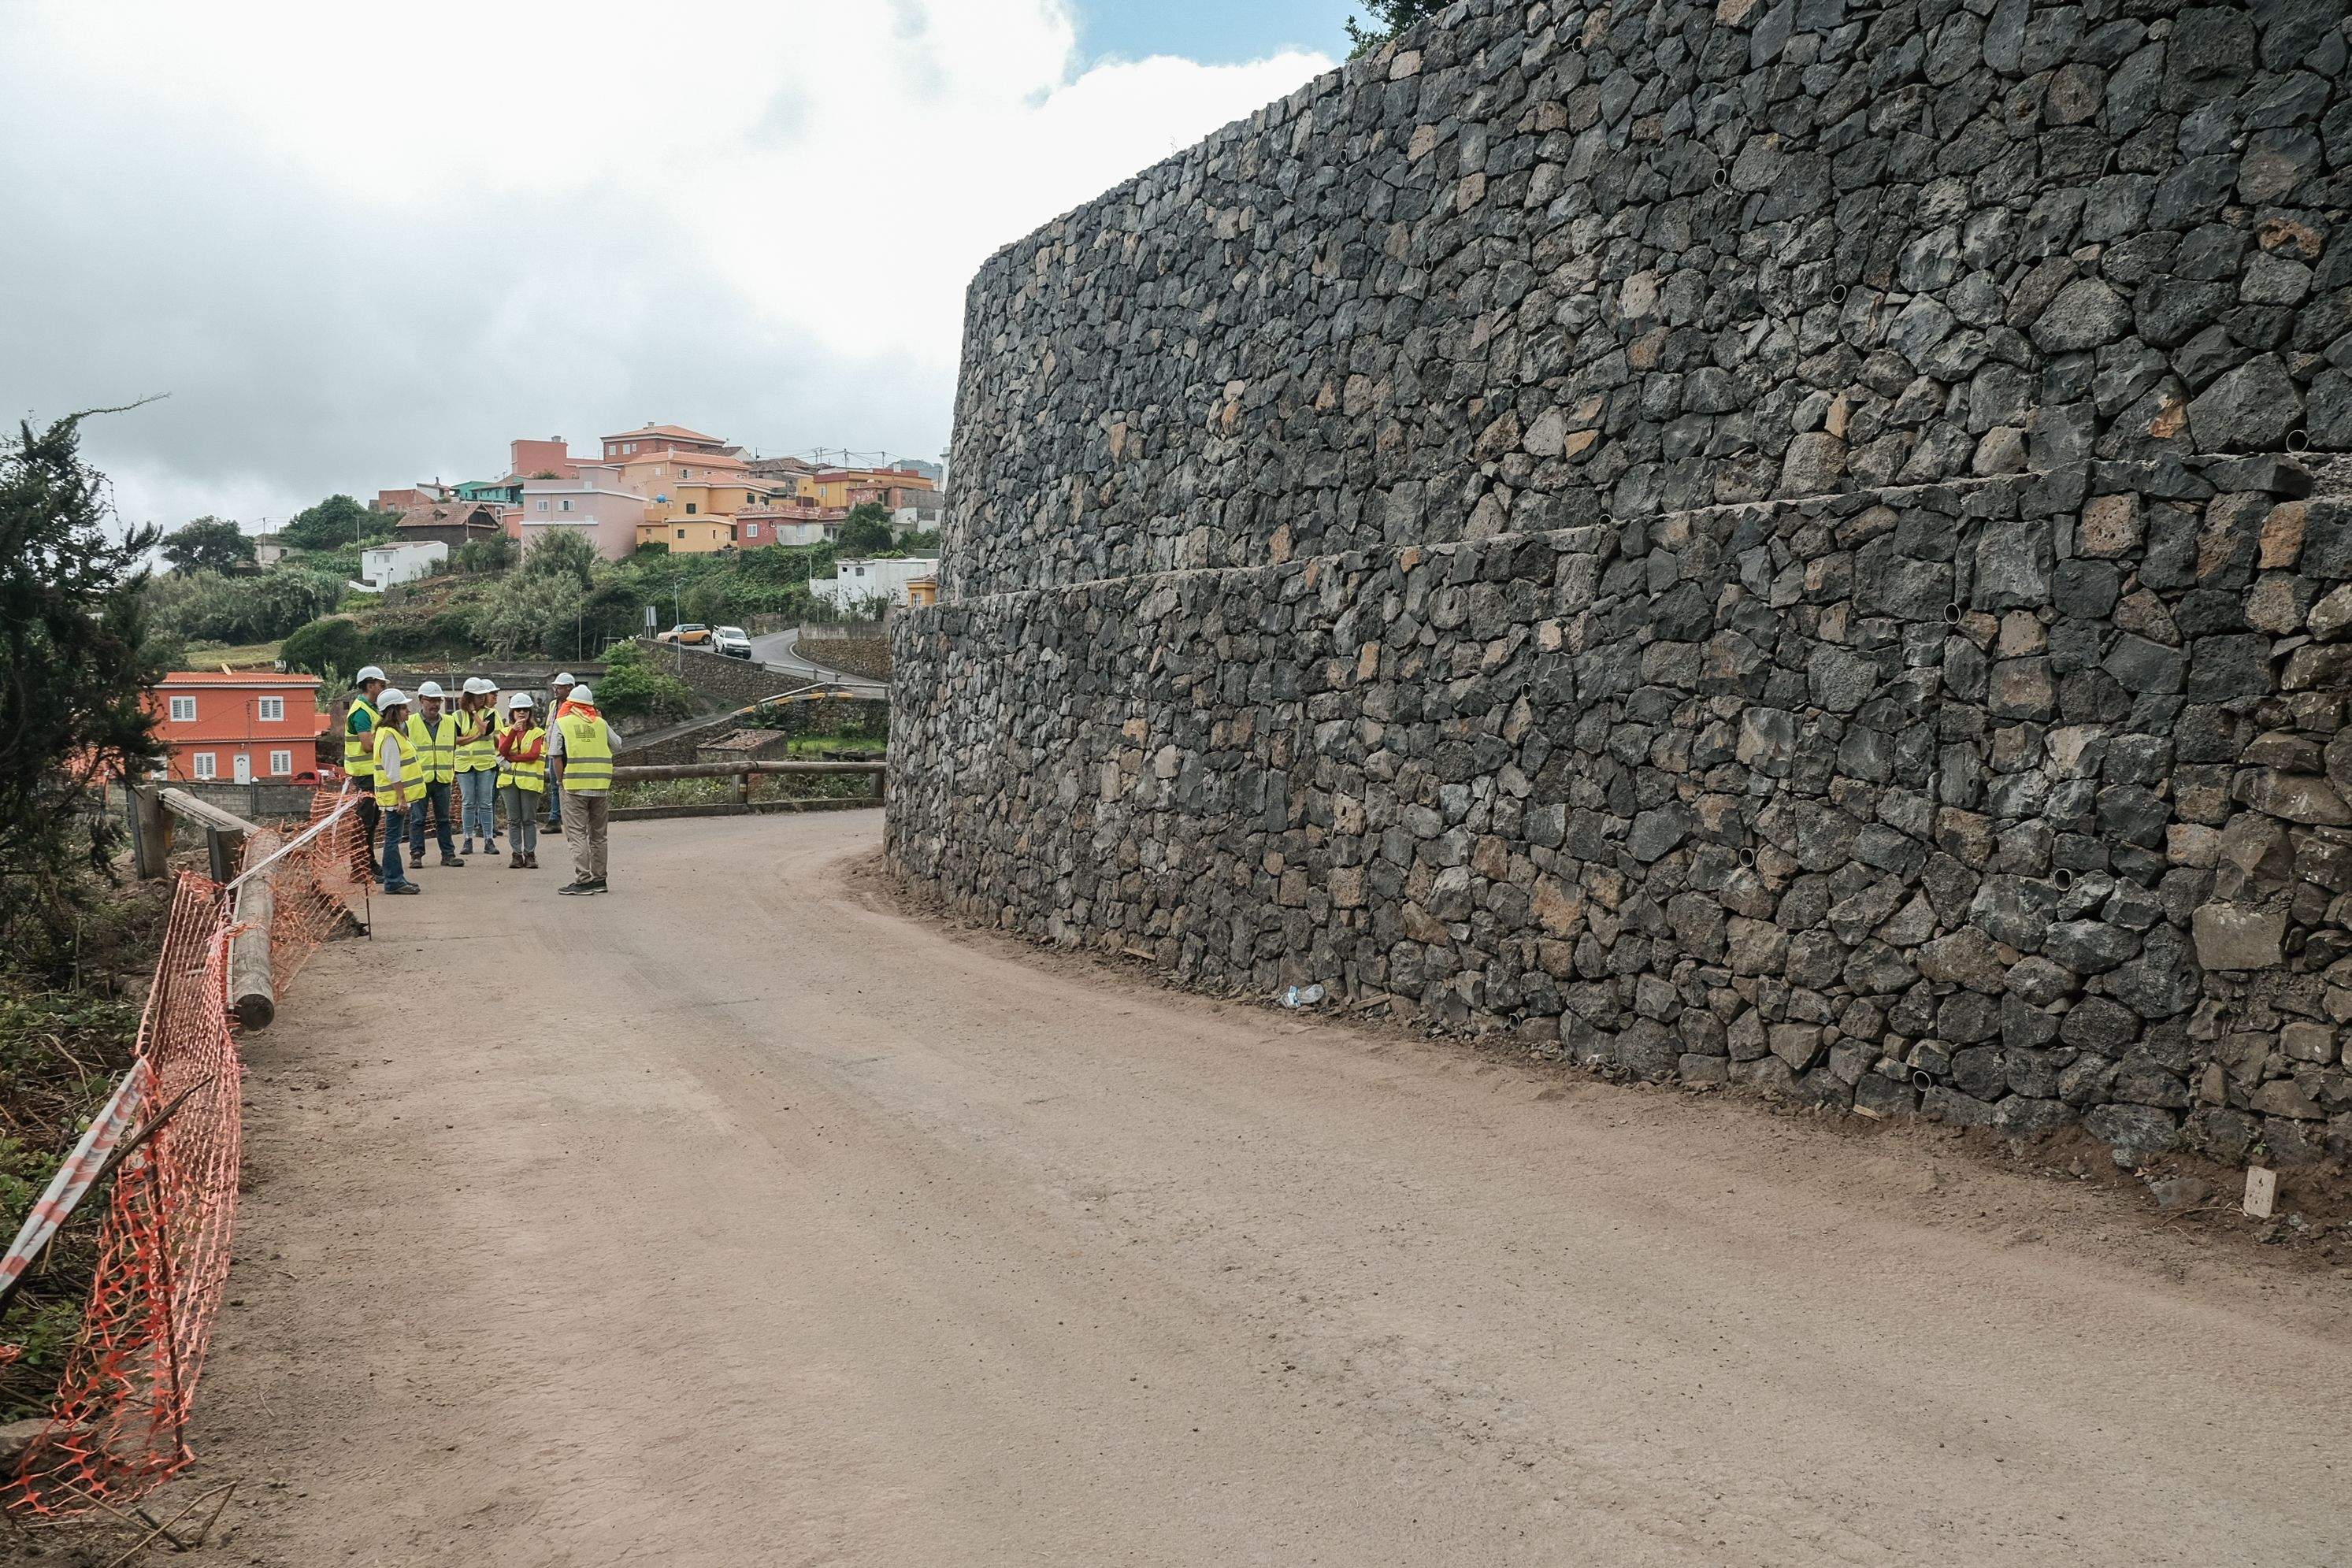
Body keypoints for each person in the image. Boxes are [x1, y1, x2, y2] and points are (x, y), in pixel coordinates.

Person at [548, 683, 614, 895]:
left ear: (570, 703)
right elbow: (618, 745)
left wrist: (561, 782)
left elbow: (556, 756)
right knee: (599, 835)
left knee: (577, 834)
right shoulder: (601, 723)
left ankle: (583, 881)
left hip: (574, 787)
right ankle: (599, 880)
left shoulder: (562, 723)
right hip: (600, 787)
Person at [403, 680, 463, 869]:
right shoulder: (409, 724)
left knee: (444, 819)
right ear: (421, 700)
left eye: (438, 700)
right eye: (431, 700)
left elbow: (451, 747)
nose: (435, 704)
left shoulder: (450, 722)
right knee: (418, 819)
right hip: (419, 780)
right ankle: (416, 855)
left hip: (443, 779)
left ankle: (448, 854)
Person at [371, 689, 422, 895]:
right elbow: (393, 771)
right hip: (394, 797)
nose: (407, 711)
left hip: (395, 796)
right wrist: (401, 797)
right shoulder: (390, 736)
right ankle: (393, 880)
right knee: (392, 839)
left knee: (394, 838)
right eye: (402, 708)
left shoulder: (392, 733)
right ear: (392, 711)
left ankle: (395, 878)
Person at [495, 691, 546, 869]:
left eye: (525, 710)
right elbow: (502, 751)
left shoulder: (537, 732)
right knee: (513, 820)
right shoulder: (506, 731)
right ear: (512, 713)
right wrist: (513, 732)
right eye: (518, 710)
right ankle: (516, 855)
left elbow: (533, 755)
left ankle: (530, 854)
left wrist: (512, 758)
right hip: (509, 782)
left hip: (529, 782)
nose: (521, 713)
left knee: (529, 820)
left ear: (530, 713)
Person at [454, 677, 503, 857]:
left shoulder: (489, 713)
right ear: (469, 697)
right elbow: (455, 739)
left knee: (486, 803)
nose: (482, 699)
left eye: (483, 696)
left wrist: (474, 713)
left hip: (485, 764)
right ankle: (468, 839)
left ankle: (489, 840)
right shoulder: (456, 716)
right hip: (464, 765)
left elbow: (484, 730)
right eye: (478, 696)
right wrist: (473, 738)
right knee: (467, 802)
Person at [344, 665, 388, 850]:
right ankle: (363, 864)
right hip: (365, 776)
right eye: (381, 685)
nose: (383, 689)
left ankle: (366, 864)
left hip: (372, 774)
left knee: (372, 820)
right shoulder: (361, 712)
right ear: (371, 686)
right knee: (365, 822)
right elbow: (367, 745)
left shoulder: (372, 709)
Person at [544, 673, 577, 833]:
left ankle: (563, 818)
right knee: (555, 786)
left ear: (569, 688)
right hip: (553, 751)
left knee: (566, 785)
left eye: (559, 687)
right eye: (555, 687)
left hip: (567, 752)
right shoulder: (553, 705)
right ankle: (555, 818)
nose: (556, 690)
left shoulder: (575, 706)